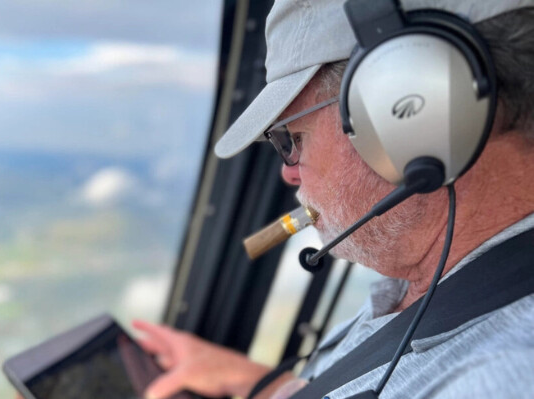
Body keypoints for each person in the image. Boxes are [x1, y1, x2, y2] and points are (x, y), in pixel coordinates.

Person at [133, 0, 534, 398]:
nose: (287, 171)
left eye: (292, 139)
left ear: (414, 115)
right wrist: (265, 386)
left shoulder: (498, 378)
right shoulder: (420, 283)